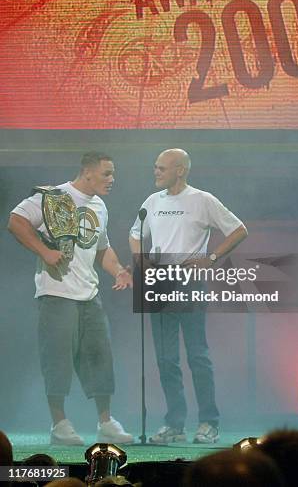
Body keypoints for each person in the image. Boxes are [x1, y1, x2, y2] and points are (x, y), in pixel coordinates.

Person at [8, 152, 134, 446]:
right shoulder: (55, 196)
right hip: (57, 293)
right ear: (87, 173)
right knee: (57, 360)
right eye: (107, 173)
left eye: (112, 174)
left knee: (101, 357)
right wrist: (44, 251)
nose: (112, 179)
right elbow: (16, 221)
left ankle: (105, 422)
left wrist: (118, 271)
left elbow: (102, 247)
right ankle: (59, 425)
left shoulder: (99, 206)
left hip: (89, 295)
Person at [129, 148, 247, 444]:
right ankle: (175, 424)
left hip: (189, 282)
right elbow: (134, 233)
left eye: (161, 168)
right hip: (159, 282)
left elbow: (239, 230)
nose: (155, 172)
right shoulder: (151, 202)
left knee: (197, 355)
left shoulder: (202, 199)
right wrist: (139, 258)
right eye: (155, 167)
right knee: (166, 359)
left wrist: (211, 257)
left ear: (180, 170)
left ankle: (209, 423)